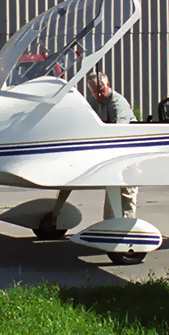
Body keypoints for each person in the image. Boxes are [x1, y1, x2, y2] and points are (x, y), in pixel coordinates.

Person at [42, 69, 137, 234]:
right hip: (107, 149)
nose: (98, 94)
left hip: (129, 149)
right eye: (94, 91)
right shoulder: (93, 102)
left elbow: (120, 132)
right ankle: (109, 225)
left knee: (126, 190)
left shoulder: (118, 103)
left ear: (108, 85)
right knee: (109, 187)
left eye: (101, 89)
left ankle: (126, 230)